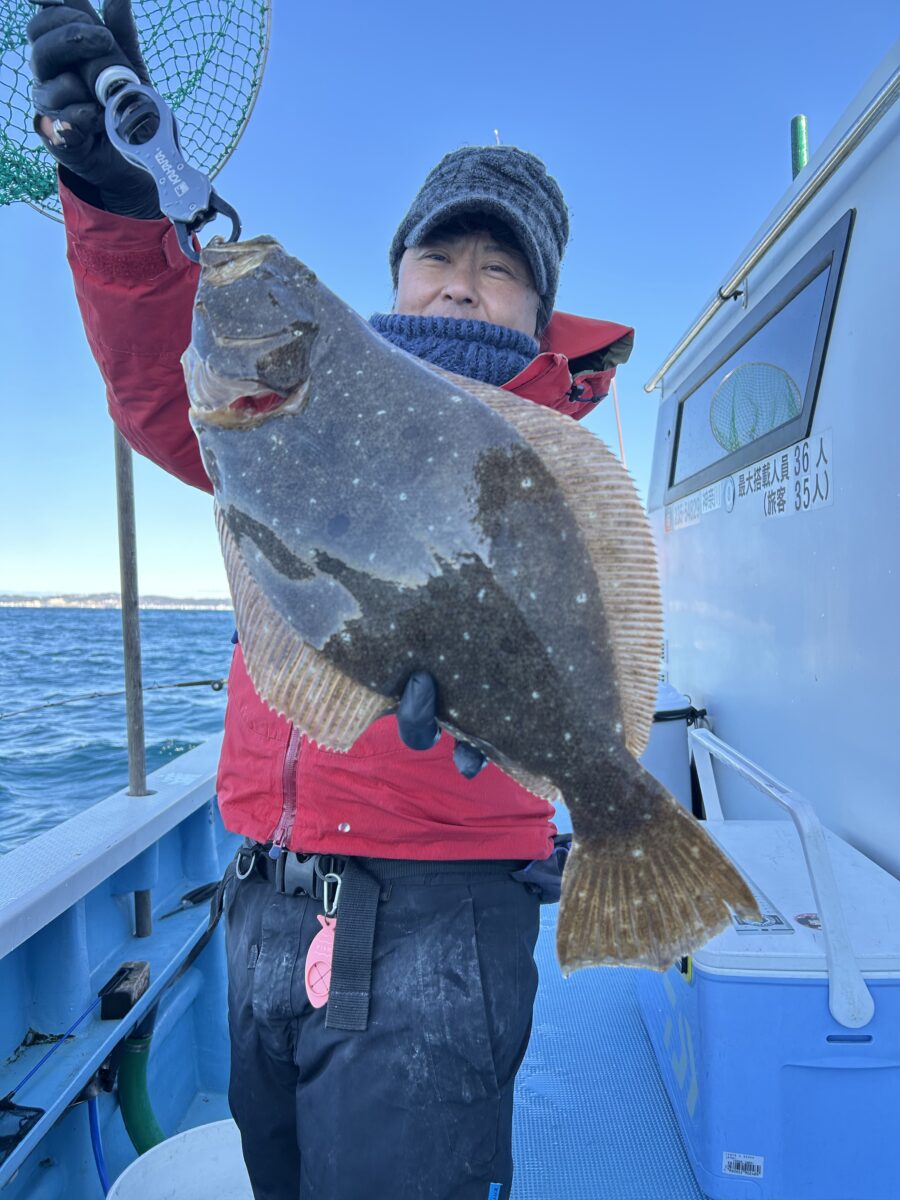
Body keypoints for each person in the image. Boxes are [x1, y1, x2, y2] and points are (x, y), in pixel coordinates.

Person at [28, 4, 634, 1197]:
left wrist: (526, 736)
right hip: (263, 890)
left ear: (538, 305)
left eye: (499, 270)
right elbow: (164, 388)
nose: (462, 288)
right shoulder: (300, 406)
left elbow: (576, 637)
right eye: (441, 258)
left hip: (441, 912)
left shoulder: (538, 457)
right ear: (397, 269)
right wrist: (112, 195)